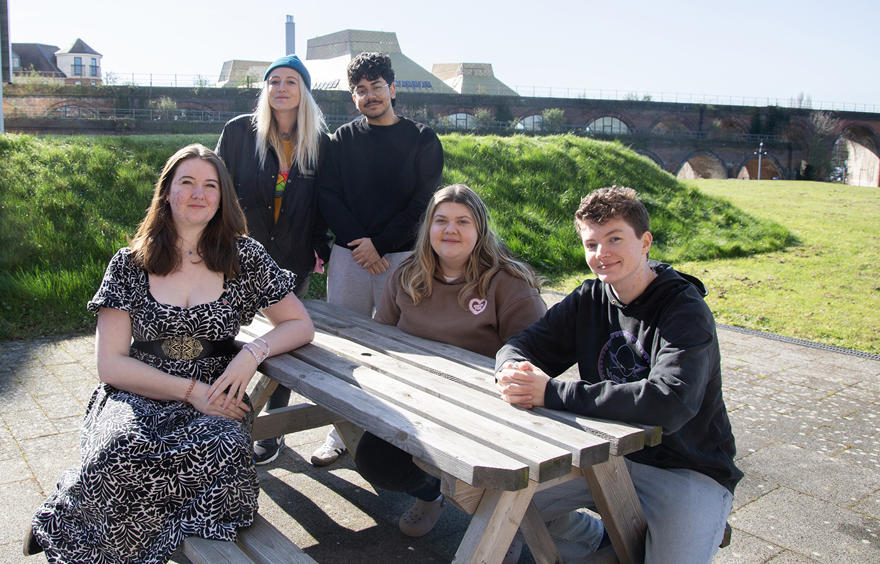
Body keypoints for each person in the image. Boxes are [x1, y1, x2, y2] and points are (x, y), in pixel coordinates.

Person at [24, 144, 315, 563]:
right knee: (121, 448)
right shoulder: (128, 264)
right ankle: (78, 520)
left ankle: (84, 508)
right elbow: (111, 363)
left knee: (224, 449)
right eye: (188, 182)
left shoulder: (244, 256)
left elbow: (299, 323)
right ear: (167, 192)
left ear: (222, 197)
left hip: (216, 398)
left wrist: (252, 352)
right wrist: (188, 390)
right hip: (138, 392)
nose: (199, 193)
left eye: (210, 185)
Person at [495, 186, 741, 563]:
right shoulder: (589, 299)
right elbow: (521, 344)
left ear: (644, 242)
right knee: (497, 510)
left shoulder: (684, 310)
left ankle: (691, 526)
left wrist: (551, 392)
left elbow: (669, 403)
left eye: (614, 239)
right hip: (604, 458)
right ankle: (597, 539)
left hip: (686, 467)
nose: (601, 254)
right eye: (591, 244)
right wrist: (511, 371)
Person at [356, 184, 547, 546]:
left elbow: (535, 358)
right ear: (428, 228)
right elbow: (379, 339)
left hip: (486, 414)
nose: (450, 230)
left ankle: (504, 523)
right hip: (414, 400)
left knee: (488, 489)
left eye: (463, 221)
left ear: (480, 230)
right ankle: (434, 495)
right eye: (441, 220)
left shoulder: (509, 283)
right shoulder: (407, 274)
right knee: (374, 461)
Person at [314, 51, 444, 466]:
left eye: (375, 87)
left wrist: (380, 245)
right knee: (342, 347)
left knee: (399, 348)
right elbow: (328, 196)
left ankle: (400, 437)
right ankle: (340, 431)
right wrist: (359, 242)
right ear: (353, 97)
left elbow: (422, 202)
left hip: (401, 256)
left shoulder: (423, 139)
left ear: (392, 88)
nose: (368, 95)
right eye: (360, 90)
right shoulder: (341, 141)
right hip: (350, 257)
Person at [216, 54, 330, 465]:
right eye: (274, 81)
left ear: (304, 92)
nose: (281, 88)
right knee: (227, 335)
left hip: (293, 257)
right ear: (265, 90)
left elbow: (323, 204)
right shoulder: (238, 134)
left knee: (282, 342)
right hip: (240, 256)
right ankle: (222, 415)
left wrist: (324, 249)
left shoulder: (319, 142)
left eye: (291, 82)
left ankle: (274, 427)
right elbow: (218, 190)